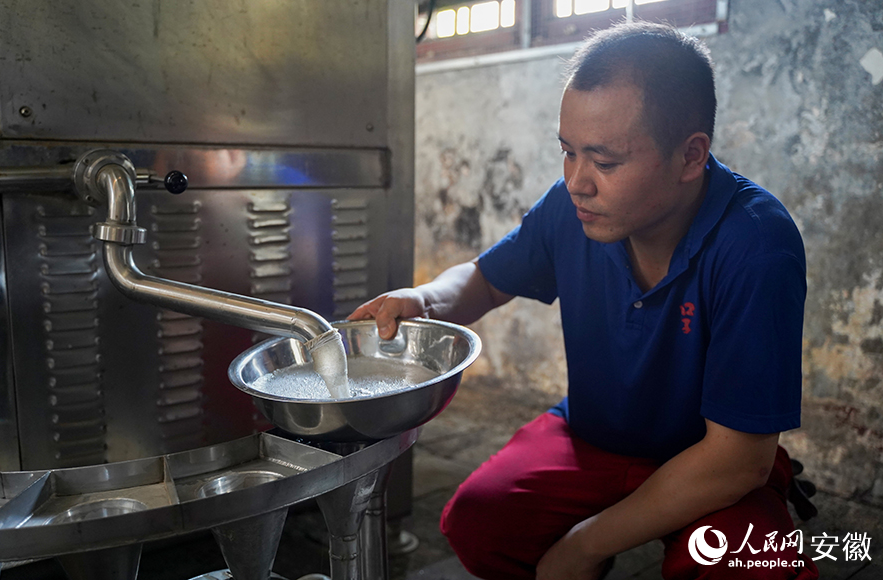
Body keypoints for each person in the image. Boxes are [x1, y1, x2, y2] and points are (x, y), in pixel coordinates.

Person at [348, 22, 819, 580]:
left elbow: (738, 460)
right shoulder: (572, 210)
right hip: (593, 437)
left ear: (691, 156)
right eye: (568, 153)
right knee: (478, 524)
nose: (577, 181)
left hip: (709, 461)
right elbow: (488, 279)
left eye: (604, 161)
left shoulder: (755, 246)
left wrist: (584, 544)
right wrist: (422, 298)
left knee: (746, 569)